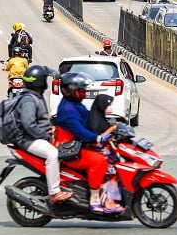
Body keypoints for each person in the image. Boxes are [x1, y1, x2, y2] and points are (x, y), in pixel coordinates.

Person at [54, 72, 116, 213]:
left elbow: (89, 118)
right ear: (68, 90)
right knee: (99, 161)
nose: (84, 93)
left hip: (76, 146)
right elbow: (81, 131)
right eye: (80, 90)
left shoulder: (75, 105)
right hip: (68, 150)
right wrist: (98, 138)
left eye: (84, 90)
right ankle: (94, 200)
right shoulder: (68, 110)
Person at [12, 65, 72, 204]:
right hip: (27, 139)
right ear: (39, 82)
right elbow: (29, 124)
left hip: (34, 136)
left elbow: (46, 70)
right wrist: (47, 136)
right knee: (53, 154)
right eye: (44, 79)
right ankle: (55, 192)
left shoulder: (34, 95)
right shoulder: (29, 100)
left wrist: (57, 75)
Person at [87, 93, 124, 212]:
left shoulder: (101, 118)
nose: (110, 108)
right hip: (99, 153)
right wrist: (112, 129)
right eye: (108, 106)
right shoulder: (94, 120)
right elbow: (98, 138)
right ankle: (109, 202)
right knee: (113, 173)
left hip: (107, 151)